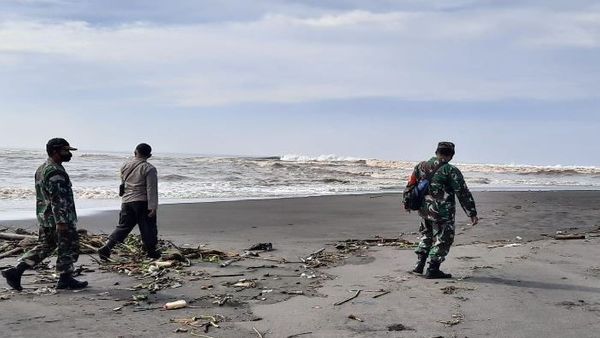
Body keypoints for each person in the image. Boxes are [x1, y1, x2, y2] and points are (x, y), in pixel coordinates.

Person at [2, 138, 88, 291]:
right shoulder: (55, 171)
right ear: (55, 151)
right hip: (59, 218)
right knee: (68, 247)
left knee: (46, 246)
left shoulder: (42, 168)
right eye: (65, 151)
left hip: (45, 216)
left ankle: (16, 271)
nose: (69, 154)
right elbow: (57, 198)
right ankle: (65, 278)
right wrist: (61, 222)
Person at [403, 142, 478, 279]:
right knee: (443, 239)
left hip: (424, 210)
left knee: (426, 235)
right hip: (443, 212)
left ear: (436, 152)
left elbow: (410, 185)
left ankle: (419, 265)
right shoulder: (450, 170)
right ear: (451, 155)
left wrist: (407, 203)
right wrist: (471, 212)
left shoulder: (421, 166)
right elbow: (462, 192)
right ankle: (433, 269)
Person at [98, 143, 159, 260]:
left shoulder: (125, 165)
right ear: (149, 155)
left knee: (123, 227)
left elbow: (123, 183)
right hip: (142, 201)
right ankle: (151, 252)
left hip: (126, 201)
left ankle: (107, 247)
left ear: (135, 152)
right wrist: (153, 206)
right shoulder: (149, 168)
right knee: (148, 227)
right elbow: (151, 188)